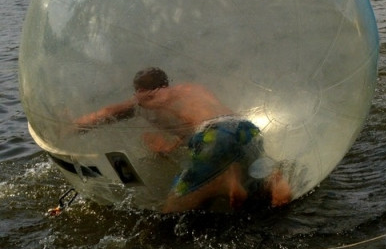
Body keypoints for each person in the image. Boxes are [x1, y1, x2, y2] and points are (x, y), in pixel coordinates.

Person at [74, 67, 292, 213]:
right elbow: (206, 128)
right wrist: (171, 146)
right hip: (244, 129)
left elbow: (107, 112)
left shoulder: (151, 96)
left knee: (170, 208)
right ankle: (267, 180)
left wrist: (72, 127)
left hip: (214, 134)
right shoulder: (191, 90)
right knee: (243, 165)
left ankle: (222, 184)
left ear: (141, 90)